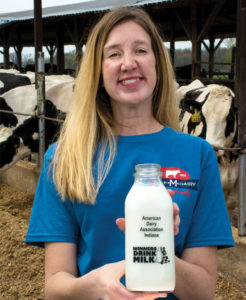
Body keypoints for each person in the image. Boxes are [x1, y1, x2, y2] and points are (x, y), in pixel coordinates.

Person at [25, 6, 234, 300]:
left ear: (158, 64)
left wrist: (157, 246)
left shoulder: (198, 155)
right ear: (97, 72)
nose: (128, 63)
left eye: (140, 50)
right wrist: (96, 284)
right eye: (113, 54)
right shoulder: (64, 158)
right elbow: (55, 288)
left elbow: (203, 292)